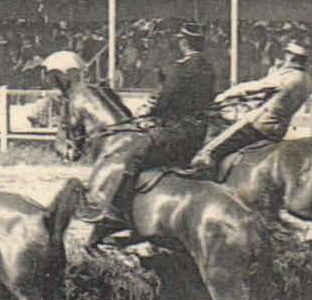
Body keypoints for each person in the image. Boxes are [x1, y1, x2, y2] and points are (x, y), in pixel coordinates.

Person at [76, 23, 216, 242]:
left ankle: (114, 211)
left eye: (180, 40)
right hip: (198, 133)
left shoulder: (179, 68)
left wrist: (148, 113)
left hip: (173, 132)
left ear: (184, 43)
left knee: (132, 155)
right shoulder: (208, 68)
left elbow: (165, 99)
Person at [187, 37, 312, 178]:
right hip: (279, 130)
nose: (284, 59)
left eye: (286, 55)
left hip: (259, 124)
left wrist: (225, 95)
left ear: (291, 57)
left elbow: (255, 87)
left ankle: (204, 179)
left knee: (210, 150)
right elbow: (279, 98)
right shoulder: (306, 80)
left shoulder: (285, 76)